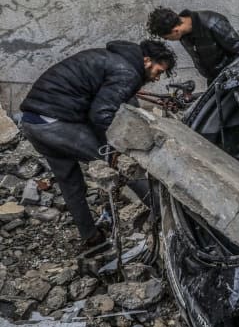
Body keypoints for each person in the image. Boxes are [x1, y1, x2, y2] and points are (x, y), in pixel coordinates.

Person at [19, 40, 176, 246]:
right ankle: (168, 217)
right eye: (159, 70)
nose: (157, 78)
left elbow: (109, 103)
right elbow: (101, 114)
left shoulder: (110, 59)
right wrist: (115, 149)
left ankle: (90, 237)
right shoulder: (128, 72)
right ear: (146, 60)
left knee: (70, 183)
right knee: (125, 164)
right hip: (56, 122)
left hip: (33, 122)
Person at [147, 7, 239, 85]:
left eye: (167, 38)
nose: (168, 40)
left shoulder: (213, 23)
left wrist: (232, 78)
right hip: (214, 81)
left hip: (234, 80)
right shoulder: (183, 35)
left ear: (175, 31)